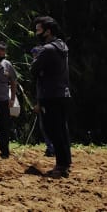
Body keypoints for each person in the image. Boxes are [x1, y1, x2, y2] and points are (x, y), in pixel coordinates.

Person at [31, 16, 72, 178]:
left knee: (52, 129)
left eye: (38, 30)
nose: (36, 33)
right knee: (62, 129)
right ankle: (66, 162)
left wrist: (36, 61)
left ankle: (61, 165)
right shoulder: (62, 46)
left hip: (50, 94)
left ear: (48, 31)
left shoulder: (47, 49)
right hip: (63, 93)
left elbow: (34, 70)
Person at [0, 41, 18, 158]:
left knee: (4, 127)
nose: (2, 53)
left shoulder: (7, 65)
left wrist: (12, 99)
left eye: (3, 51)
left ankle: (5, 151)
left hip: (3, 100)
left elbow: (13, 82)